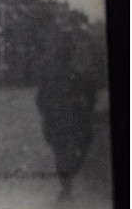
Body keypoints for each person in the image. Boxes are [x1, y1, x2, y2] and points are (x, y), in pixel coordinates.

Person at [36, 30, 99, 199]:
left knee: (64, 151)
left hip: (64, 120)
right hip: (64, 121)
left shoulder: (73, 75)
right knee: (69, 150)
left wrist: (47, 115)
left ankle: (67, 182)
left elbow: (40, 99)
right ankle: (67, 183)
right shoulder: (63, 75)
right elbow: (41, 99)